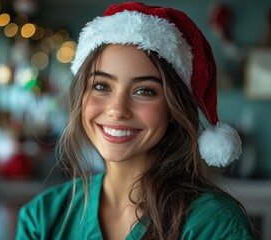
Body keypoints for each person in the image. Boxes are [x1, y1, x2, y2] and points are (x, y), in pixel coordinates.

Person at [16, 2, 256, 239]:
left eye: (144, 91)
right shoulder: (41, 218)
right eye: (101, 86)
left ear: (173, 109)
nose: (117, 110)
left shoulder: (215, 225)